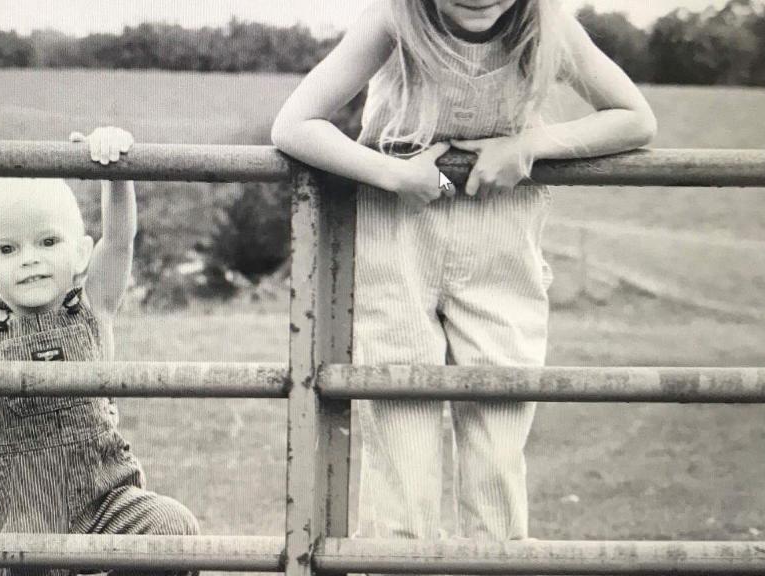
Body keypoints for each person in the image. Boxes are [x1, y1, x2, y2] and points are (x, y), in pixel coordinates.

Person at [271, 0, 656, 544]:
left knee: (498, 449)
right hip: (398, 234)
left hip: (502, 242)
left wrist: (528, 145)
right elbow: (293, 125)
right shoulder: (395, 20)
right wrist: (392, 174)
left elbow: (636, 118)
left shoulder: (546, 26)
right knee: (401, 448)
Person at [0, 127, 199, 576]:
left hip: (106, 496)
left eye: (48, 242)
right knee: (28, 562)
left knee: (172, 529)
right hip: (23, 509)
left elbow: (122, 236)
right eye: (7, 249)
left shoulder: (94, 301)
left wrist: (115, 174)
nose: (30, 259)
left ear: (82, 252)